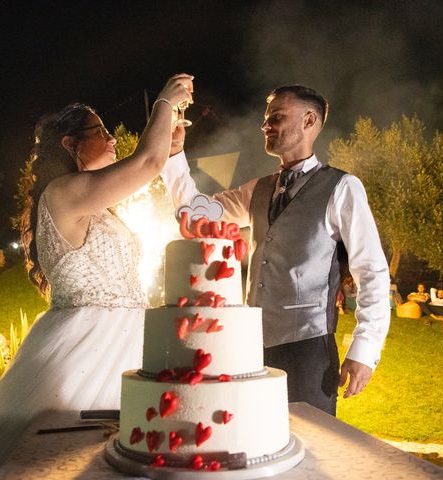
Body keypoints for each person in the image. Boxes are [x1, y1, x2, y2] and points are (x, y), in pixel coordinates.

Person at [0, 74, 194, 480]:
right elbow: (146, 163)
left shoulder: (97, 203)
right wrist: (164, 102)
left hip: (131, 345)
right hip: (87, 349)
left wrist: (169, 147)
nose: (113, 138)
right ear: (70, 143)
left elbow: (152, 166)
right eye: (101, 131)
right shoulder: (61, 193)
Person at [161, 85, 390, 416]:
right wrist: (173, 156)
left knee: (308, 452)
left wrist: (365, 348)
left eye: (276, 118)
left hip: (308, 350)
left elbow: (372, 271)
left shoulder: (342, 187)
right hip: (250, 347)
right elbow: (195, 215)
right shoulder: (258, 188)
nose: (265, 126)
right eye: (265, 119)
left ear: (309, 120)